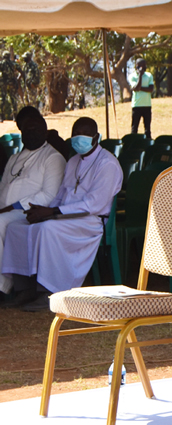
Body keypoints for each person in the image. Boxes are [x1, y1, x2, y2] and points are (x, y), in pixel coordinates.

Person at [1, 118, 122, 310]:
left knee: (48, 229)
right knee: (17, 227)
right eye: (75, 135)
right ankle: (25, 289)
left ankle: (50, 291)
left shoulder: (107, 164)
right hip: (64, 216)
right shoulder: (73, 161)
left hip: (90, 221)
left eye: (84, 135)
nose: (78, 139)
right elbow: (61, 195)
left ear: (96, 137)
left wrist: (54, 212)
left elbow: (93, 204)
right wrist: (43, 212)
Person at [0, 113, 65, 297]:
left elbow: (48, 196)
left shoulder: (53, 158)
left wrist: (12, 207)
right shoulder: (14, 158)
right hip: (5, 210)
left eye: (36, 129)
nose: (31, 133)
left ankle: (2, 286)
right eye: (27, 130)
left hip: (29, 212)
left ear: (45, 132)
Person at [130, 58, 154, 139]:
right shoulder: (133, 76)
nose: (143, 67)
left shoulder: (149, 75)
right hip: (137, 105)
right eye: (141, 66)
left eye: (144, 65)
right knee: (134, 128)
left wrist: (140, 88)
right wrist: (140, 75)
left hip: (147, 105)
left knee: (147, 129)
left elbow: (151, 89)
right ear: (137, 66)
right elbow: (136, 87)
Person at [0, 50, 22, 122]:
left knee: (2, 99)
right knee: (13, 99)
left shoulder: (1, 64)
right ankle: (15, 117)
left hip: (4, 83)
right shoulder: (13, 63)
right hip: (12, 83)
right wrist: (18, 78)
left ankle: (1, 117)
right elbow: (21, 72)